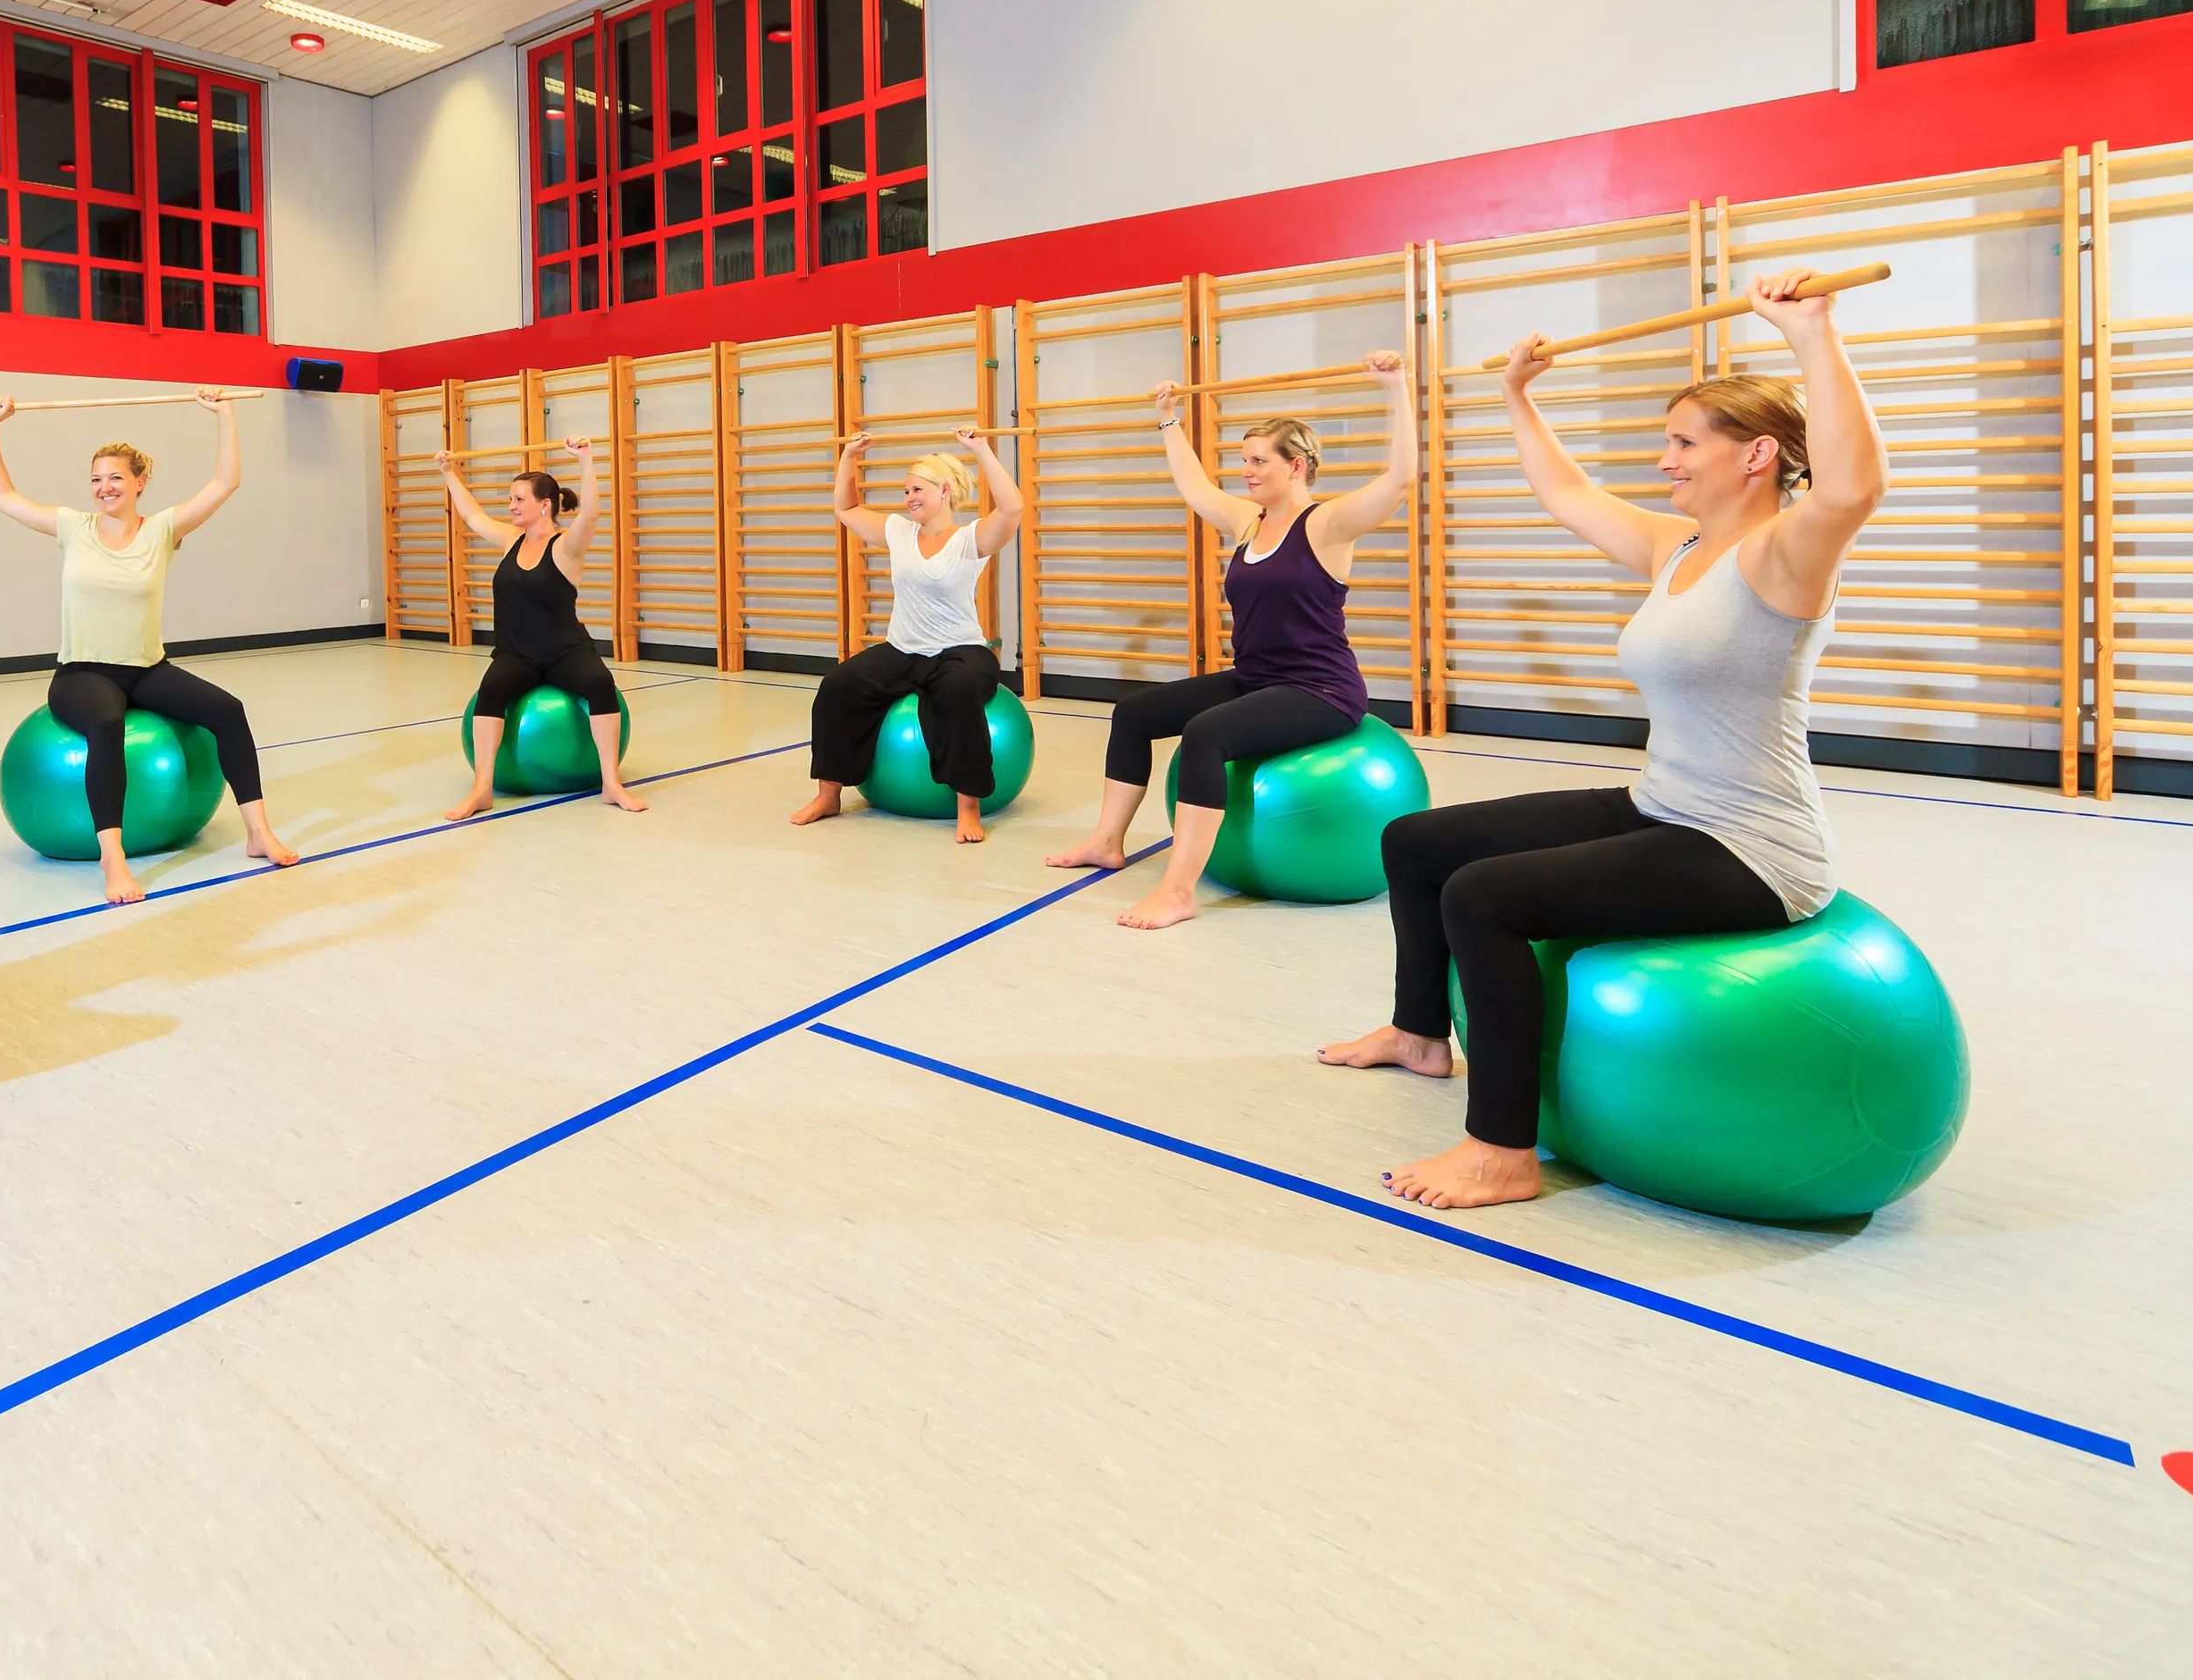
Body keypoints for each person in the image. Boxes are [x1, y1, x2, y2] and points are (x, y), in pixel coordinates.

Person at [1321, 269, 1886, 1209]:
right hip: (1664, 804)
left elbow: (1854, 488)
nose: (1665, 461)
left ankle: (1501, 1151)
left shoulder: (1785, 555)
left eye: (1684, 442)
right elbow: (1566, 492)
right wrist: (1517, 393)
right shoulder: (1678, 547)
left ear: (1756, 456)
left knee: (1484, 898)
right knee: (1415, 843)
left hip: (1749, 846)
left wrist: (1812, 334)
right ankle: (1419, 1034)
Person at [1049, 354, 1416, 926]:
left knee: (1206, 733)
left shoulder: (1327, 524)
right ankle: (1106, 841)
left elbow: (1399, 481)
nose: (1246, 471)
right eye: (1244, 460)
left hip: (1320, 690)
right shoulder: (1249, 522)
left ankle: (1178, 891)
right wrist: (1168, 417)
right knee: (1134, 713)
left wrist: (1397, 386)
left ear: (1296, 466)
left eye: (1258, 461)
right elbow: (1194, 486)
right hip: (1255, 679)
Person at [0, 391, 295, 906]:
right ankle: (113, 858)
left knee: (228, 711)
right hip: (82, 673)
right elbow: (1, 494)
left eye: (116, 478)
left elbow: (225, 482)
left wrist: (224, 412)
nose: (104, 487)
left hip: (146, 669)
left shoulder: (163, 529)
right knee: (106, 723)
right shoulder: (73, 527)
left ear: (140, 482)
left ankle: (258, 832)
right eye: (96, 479)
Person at [790, 428, 1027, 844]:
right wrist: (849, 457)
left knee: (957, 693)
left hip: (960, 650)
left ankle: (968, 808)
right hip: (902, 649)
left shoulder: (970, 539)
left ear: (944, 490)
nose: (909, 498)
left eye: (917, 489)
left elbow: (1012, 507)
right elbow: (846, 507)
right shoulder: (899, 532)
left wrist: (980, 449)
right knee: (838, 685)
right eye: (906, 491)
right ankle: (828, 795)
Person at [439, 437, 647, 819]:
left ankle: (611, 784)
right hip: (516, 654)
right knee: (490, 691)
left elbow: (591, 515)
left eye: (519, 499)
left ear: (544, 505)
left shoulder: (567, 546)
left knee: (600, 685)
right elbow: (473, 517)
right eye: (510, 499)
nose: (511, 506)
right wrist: (449, 473)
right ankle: (482, 790)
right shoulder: (510, 539)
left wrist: (585, 460)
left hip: (565, 652)